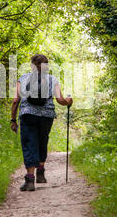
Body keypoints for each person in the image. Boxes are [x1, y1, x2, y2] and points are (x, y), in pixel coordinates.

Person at [11, 54, 73, 191]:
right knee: (42, 141)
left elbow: (16, 101)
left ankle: (30, 179)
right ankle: (41, 173)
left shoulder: (23, 78)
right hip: (47, 116)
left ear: (32, 65)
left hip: (27, 115)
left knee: (29, 144)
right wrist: (69, 101)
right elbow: (60, 100)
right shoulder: (52, 79)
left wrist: (13, 119)